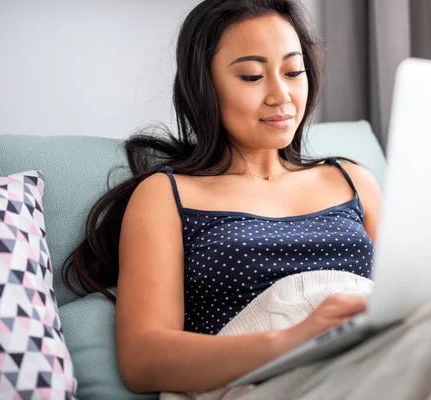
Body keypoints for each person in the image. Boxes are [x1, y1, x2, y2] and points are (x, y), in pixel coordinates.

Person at [63, 0, 381, 394]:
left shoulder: (353, 180)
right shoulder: (166, 195)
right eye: (251, 76)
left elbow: (411, 298)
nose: (280, 95)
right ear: (205, 87)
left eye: (293, 71)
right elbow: (143, 358)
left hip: (379, 362)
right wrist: (291, 341)